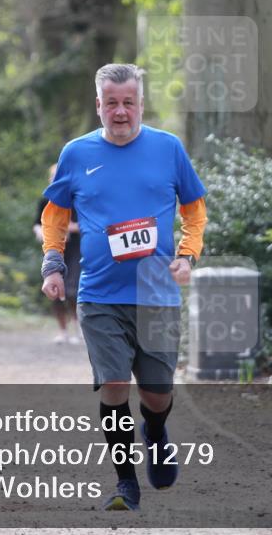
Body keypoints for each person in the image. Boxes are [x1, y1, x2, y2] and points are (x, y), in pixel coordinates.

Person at [39, 63, 207, 511]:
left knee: (157, 394)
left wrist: (188, 254)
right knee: (114, 386)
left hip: (156, 294)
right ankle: (125, 483)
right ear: (98, 105)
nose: (120, 111)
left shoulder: (168, 148)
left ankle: (155, 431)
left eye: (128, 103)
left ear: (140, 105)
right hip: (98, 295)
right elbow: (54, 216)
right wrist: (53, 264)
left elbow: (194, 210)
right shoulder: (76, 153)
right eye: (111, 103)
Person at [34, 164, 83, 344]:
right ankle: (62, 331)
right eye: (52, 176)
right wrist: (40, 231)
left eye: (59, 176)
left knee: (72, 290)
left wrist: (67, 227)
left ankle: (78, 328)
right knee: (53, 290)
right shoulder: (45, 201)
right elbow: (37, 223)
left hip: (76, 250)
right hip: (52, 251)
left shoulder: (78, 200)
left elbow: (89, 225)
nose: (55, 179)